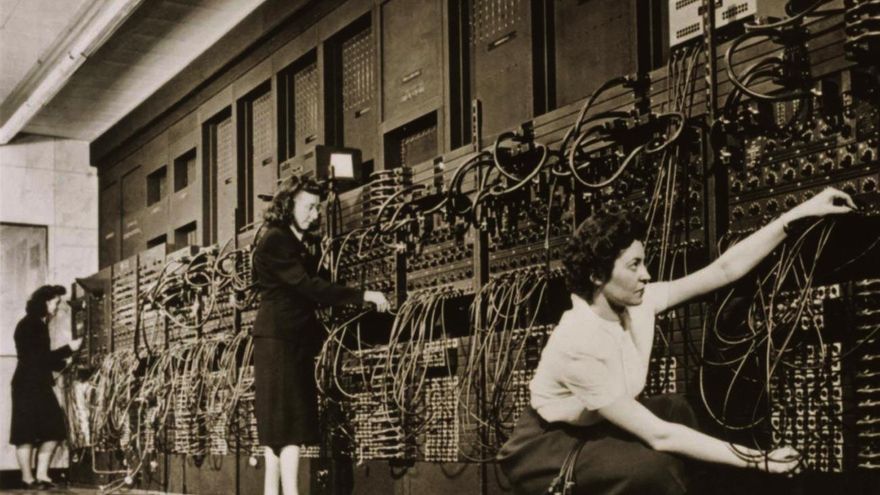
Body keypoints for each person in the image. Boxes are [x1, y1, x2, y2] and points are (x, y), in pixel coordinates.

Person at [497, 187, 856, 494]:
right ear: (596, 276)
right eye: (634, 265)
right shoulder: (578, 340)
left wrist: (798, 214)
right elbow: (660, 437)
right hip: (548, 443)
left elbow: (723, 271)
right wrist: (759, 461)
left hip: (596, 422)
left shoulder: (636, 303)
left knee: (676, 409)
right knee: (654, 469)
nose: (646, 275)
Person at [252, 176, 391, 495]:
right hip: (279, 340)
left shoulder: (295, 243)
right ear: (288, 206)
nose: (315, 214)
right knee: (285, 428)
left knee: (283, 427)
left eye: (318, 207)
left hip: (290, 339)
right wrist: (363, 295)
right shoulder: (276, 239)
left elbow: (318, 280)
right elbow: (310, 286)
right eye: (309, 206)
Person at [10, 284, 83, 489]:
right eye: (55, 302)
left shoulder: (34, 323)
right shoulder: (33, 325)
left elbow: (40, 359)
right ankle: (29, 478)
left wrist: (62, 363)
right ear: (45, 302)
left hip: (32, 382)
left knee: (52, 431)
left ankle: (39, 476)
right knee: (27, 433)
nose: (57, 306)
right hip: (29, 384)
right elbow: (39, 358)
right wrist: (69, 348)